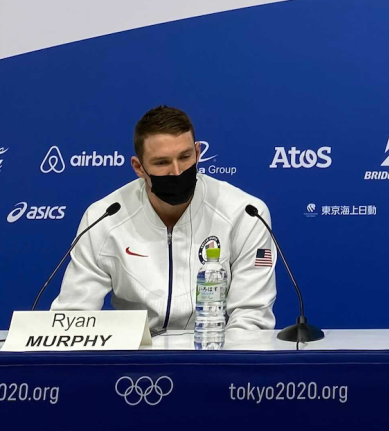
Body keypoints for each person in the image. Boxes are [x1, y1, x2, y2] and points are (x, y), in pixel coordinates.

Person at [52, 106, 277, 332]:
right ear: (139, 167)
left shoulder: (244, 213)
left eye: (185, 157)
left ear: (198, 153)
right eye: (162, 163)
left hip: (214, 354)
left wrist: (219, 364)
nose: (177, 172)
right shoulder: (103, 218)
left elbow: (250, 318)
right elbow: (72, 317)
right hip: (134, 359)